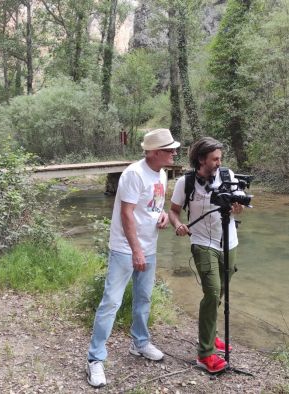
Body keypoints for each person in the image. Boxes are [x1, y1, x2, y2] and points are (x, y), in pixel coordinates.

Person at [86, 128, 180, 388]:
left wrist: (162, 215)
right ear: (154, 152)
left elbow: (154, 204)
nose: (174, 152)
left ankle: (140, 343)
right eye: (169, 149)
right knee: (111, 302)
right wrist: (136, 250)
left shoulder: (161, 172)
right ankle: (95, 359)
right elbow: (127, 214)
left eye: (173, 148)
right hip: (125, 248)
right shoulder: (133, 174)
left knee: (144, 298)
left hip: (149, 246)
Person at [168, 136, 244, 374]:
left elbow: (239, 203)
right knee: (211, 292)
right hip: (202, 242)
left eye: (221, 158)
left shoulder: (227, 175)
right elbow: (173, 211)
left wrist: (238, 206)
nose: (219, 163)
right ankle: (205, 354)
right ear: (201, 159)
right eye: (215, 159)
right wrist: (178, 225)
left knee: (221, 290)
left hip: (229, 241)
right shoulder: (185, 182)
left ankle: (212, 334)